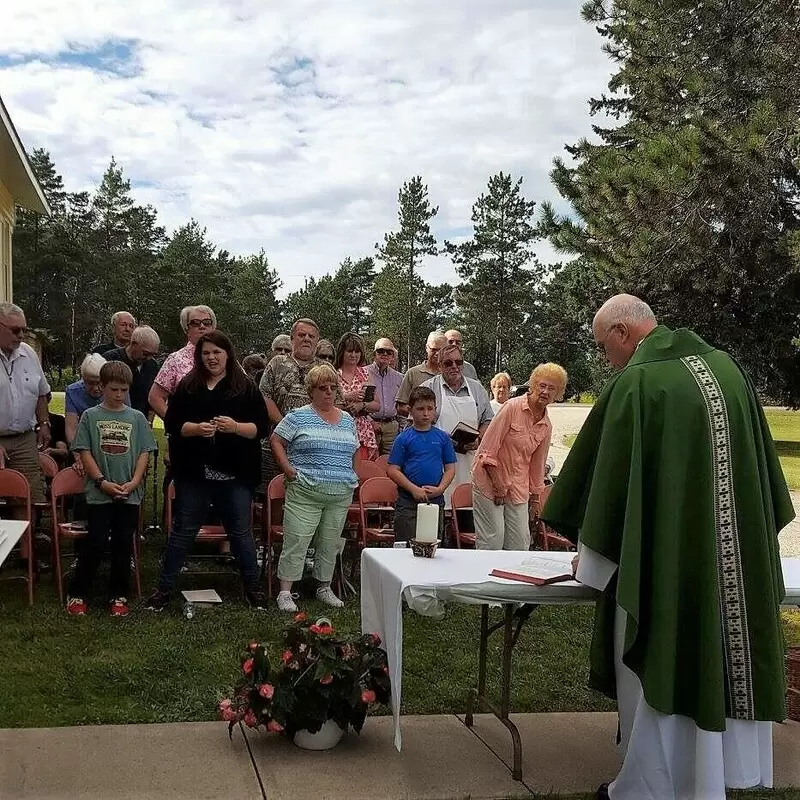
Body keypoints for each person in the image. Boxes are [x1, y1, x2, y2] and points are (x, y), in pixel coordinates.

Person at [541, 294, 794, 800]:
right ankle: (712, 779)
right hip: (730, 570)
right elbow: (759, 477)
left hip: (658, 570)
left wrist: (590, 564)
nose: (605, 359)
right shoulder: (728, 371)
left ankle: (645, 788)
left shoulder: (636, 384)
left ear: (621, 333)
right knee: (718, 663)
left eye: (602, 347)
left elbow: (610, 487)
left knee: (658, 664)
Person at [145, 331, 270, 612]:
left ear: (228, 354)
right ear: (199, 357)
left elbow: (260, 428)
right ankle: (163, 590)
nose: (211, 358)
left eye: (217, 352)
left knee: (240, 532)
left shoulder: (245, 387)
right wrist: (195, 429)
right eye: (206, 353)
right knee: (182, 532)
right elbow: (173, 424)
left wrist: (234, 427)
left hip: (236, 475)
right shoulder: (189, 387)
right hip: (195, 473)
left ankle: (254, 589)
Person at [65, 361, 157, 617]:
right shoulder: (90, 417)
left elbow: (144, 452)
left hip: (129, 494)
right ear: (102, 387)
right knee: (94, 543)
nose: (118, 395)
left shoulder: (137, 418)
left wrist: (135, 481)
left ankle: (118, 594)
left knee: (122, 544)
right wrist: (101, 481)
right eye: (114, 389)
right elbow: (84, 451)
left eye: (123, 390)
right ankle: (78, 592)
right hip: (99, 495)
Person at [270, 362, 358, 613]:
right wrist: (287, 469)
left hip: (339, 493)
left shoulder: (348, 420)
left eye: (333, 387)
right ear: (312, 391)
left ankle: (324, 587)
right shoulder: (297, 417)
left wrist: (354, 474)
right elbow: (276, 439)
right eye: (323, 387)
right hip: (305, 491)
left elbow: (356, 449)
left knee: (330, 542)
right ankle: (285, 592)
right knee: (297, 539)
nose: (329, 392)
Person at [473, 364, 565, 551]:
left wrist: (535, 499)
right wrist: (498, 486)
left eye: (551, 388)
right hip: (489, 480)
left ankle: (512, 579)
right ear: (533, 385)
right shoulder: (511, 408)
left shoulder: (546, 426)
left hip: (518, 487)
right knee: (493, 541)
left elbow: (537, 467)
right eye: (542, 385)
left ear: (558, 394)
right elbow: (487, 451)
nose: (545, 391)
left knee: (520, 544)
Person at [259, 318, 344, 485]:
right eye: (302, 335)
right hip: (276, 442)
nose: (306, 339)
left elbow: (337, 401)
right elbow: (264, 396)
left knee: (307, 496)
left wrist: (310, 427)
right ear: (292, 339)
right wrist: (286, 425)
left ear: (317, 341)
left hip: (313, 447)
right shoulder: (277, 363)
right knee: (273, 497)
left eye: (311, 336)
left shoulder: (326, 368)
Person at [0, 302, 51, 536]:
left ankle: (26, 555)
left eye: (23, 330)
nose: (21, 335)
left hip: (24, 439)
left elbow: (42, 392)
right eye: (15, 330)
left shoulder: (28, 354)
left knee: (29, 497)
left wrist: (44, 423)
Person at [421, 344, 493, 508]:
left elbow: (488, 420)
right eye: (448, 363)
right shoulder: (428, 388)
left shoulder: (476, 388)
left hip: (470, 459)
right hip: (437, 460)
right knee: (439, 510)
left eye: (458, 362)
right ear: (439, 366)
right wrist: (440, 438)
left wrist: (479, 438)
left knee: (467, 509)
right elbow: (417, 425)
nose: (454, 366)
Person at [386, 386, 456, 543]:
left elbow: (450, 468)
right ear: (410, 410)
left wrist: (440, 489)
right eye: (420, 409)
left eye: (430, 409)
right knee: (406, 546)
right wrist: (413, 489)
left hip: (435, 501)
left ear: (435, 409)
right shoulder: (403, 438)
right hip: (408, 501)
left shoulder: (442, 438)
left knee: (432, 545)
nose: (426, 413)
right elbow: (392, 470)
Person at [148, 305, 216, 420]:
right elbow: (155, 397)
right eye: (195, 323)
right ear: (186, 329)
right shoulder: (175, 360)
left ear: (213, 327)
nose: (202, 326)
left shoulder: (227, 357)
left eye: (207, 322)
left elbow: (244, 391)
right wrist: (176, 423)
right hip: (188, 433)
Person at [335, 332, 380, 460]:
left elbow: (377, 405)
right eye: (350, 351)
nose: (353, 355)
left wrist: (362, 405)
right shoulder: (333, 373)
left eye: (357, 351)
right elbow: (326, 402)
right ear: (342, 352)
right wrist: (349, 396)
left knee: (362, 470)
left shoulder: (366, 374)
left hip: (362, 431)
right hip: (338, 428)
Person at [103, 325, 161, 419]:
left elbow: (152, 397)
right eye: (145, 353)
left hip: (140, 420)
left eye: (153, 354)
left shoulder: (152, 365)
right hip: (112, 419)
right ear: (133, 344)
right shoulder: (110, 359)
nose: (149, 358)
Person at [395, 331, 448, 419]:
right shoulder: (413, 373)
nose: (437, 353)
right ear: (426, 348)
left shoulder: (449, 375)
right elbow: (400, 407)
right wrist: (423, 415)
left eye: (441, 350)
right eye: (434, 349)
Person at [367, 337, 404, 456]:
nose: (385, 354)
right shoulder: (363, 373)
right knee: (370, 461)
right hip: (370, 426)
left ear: (393, 356)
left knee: (391, 463)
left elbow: (401, 404)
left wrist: (402, 428)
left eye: (389, 352)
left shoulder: (399, 377)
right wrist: (369, 421)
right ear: (374, 354)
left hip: (392, 428)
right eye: (381, 351)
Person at [65, 353, 107, 446]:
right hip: (84, 440)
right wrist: (76, 450)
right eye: (90, 383)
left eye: (99, 383)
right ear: (83, 379)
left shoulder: (115, 389)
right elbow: (71, 428)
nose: (96, 388)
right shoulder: (72, 391)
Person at [44, 392, 69, 467]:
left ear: (49, 398)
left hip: (51, 467)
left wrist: (52, 451)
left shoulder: (58, 421)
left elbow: (64, 452)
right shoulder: (23, 424)